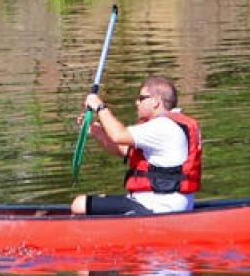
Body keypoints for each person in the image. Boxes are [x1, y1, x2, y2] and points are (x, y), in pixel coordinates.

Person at [70, 75, 201, 215]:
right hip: (165, 203)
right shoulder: (167, 125)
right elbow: (124, 150)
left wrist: (100, 107)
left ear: (155, 101)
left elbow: (118, 135)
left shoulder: (163, 126)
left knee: (79, 204)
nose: (137, 102)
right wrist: (97, 131)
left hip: (160, 207)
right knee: (99, 200)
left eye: (141, 98)